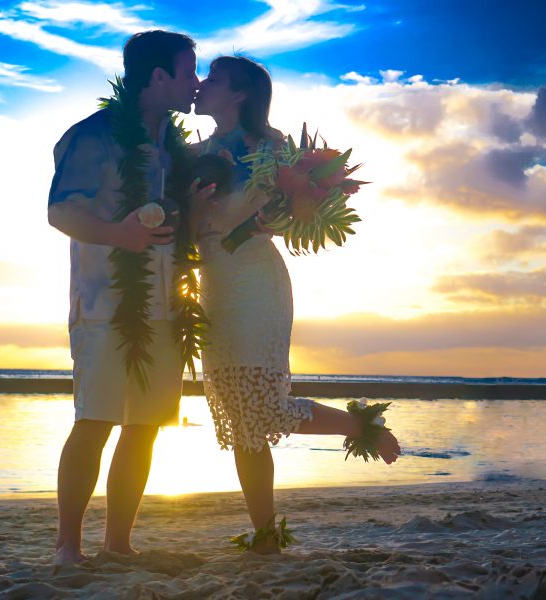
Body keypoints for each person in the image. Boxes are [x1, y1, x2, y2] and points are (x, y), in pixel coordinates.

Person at [191, 56, 401, 554]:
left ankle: (359, 424)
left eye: (213, 79)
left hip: (255, 287)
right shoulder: (193, 153)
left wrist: (274, 222)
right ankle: (265, 533)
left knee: (261, 406)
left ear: (240, 94)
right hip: (210, 286)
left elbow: (300, 217)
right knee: (242, 418)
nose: (201, 85)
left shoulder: (273, 149)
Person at [47, 30, 209, 565]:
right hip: (104, 302)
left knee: (146, 427)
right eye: (189, 71)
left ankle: (118, 543)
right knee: (94, 420)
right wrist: (120, 234)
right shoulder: (93, 136)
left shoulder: (176, 149)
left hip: (167, 305)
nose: (197, 82)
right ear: (158, 76)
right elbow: (61, 211)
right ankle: (68, 544)